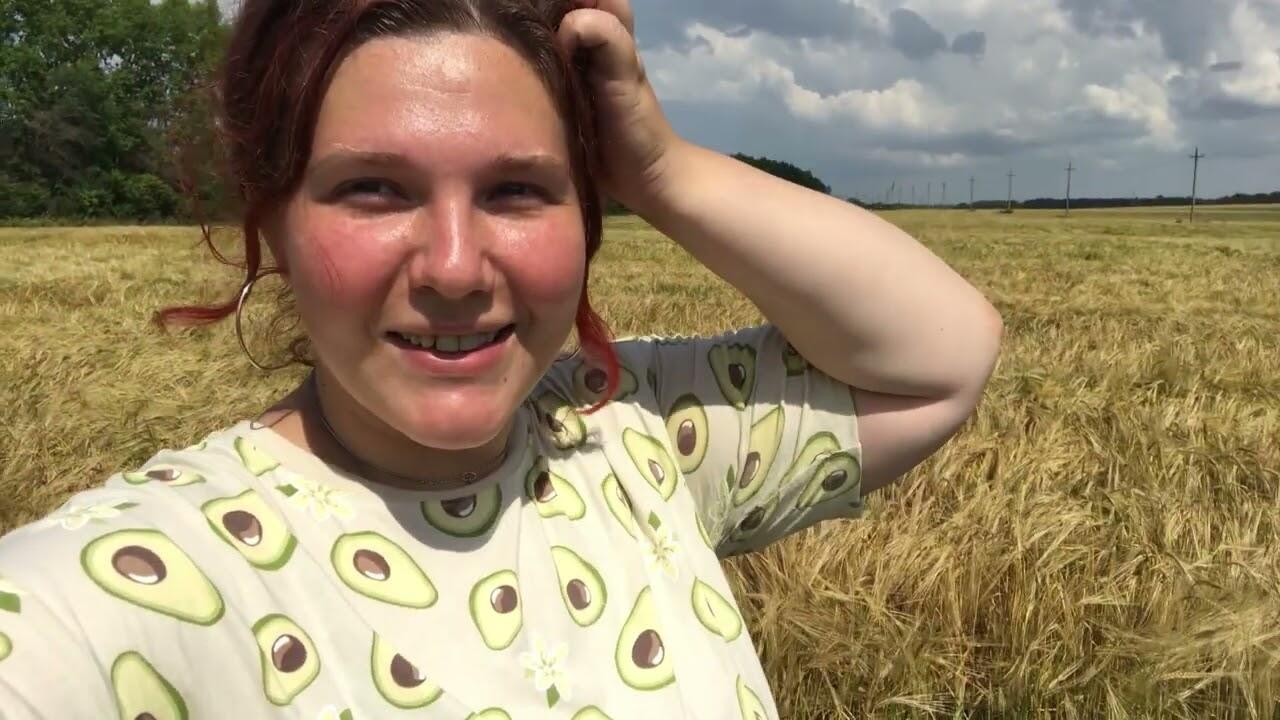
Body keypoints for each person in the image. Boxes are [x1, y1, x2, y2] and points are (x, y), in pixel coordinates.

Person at [0, 0, 1002, 717]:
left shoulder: (634, 440)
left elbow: (943, 356)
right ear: (273, 221)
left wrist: (661, 166)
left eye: (517, 190)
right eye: (374, 188)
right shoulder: (123, 587)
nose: (453, 267)